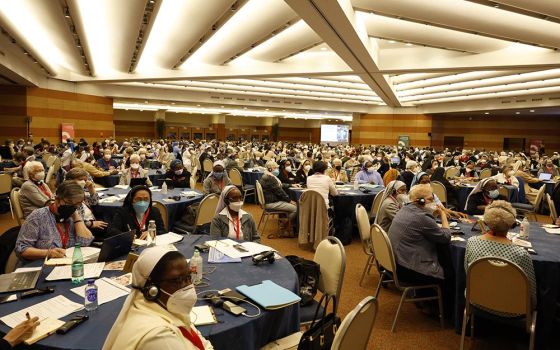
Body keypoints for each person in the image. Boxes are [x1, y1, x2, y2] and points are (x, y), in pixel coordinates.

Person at [103, 246, 214, 350]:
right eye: (177, 280)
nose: (188, 286)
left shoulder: (168, 310)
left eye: (188, 277)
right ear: (152, 288)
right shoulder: (158, 335)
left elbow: (200, 342)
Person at [464, 201, 536, 315]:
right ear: (512, 224)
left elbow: (468, 273)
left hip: (476, 300)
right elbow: (530, 291)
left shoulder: (471, 242)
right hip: (514, 309)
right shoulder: (521, 254)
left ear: (486, 221)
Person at [388, 184, 452, 285]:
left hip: (395, 262)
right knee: (450, 272)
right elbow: (446, 237)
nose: (433, 202)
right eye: (431, 199)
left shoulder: (405, 209)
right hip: (408, 269)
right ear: (420, 200)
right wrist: (443, 214)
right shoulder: (422, 217)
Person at [15, 181, 94, 261]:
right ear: (57, 200)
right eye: (69, 203)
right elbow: (21, 249)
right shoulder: (38, 216)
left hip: (67, 264)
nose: (73, 207)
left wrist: (77, 218)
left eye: (77, 204)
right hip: (41, 265)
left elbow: (85, 243)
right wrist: (49, 253)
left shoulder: (73, 216)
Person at [65, 168, 110, 241]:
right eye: (80, 179)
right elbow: (73, 220)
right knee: (108, 234)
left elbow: (94, 202)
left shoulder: (80, 191)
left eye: (85, 180)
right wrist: (91, 224)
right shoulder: (67, 195)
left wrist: (91, 188)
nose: (83, 182)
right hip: (82, 227)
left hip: (91, 219)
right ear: (70, 181)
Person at [259, 161, 297, 234]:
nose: (277, 169)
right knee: (295, 208)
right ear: (270, 169)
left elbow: (278, 185)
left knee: (292, 205)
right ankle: (284, 224)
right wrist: (289, 201)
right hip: (271, 202)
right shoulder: (270, 178)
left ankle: (287, 224)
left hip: (269, 201)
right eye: (275, 168)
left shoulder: (266, 175)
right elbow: (279, 191)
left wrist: (290, 185)